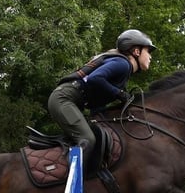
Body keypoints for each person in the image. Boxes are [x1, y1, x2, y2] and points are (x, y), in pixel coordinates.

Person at [48, 28, 156, 163]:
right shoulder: (123, 64)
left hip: (66, 98)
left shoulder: (122, 69)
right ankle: (71, 182)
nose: (150, 56)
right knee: (87, 139)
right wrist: (119, 94)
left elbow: (97, 102)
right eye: (148, 51)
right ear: (136, 51)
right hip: (63, 98)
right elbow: (95, 78)